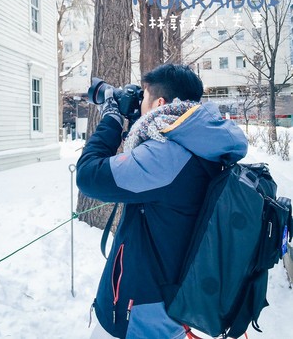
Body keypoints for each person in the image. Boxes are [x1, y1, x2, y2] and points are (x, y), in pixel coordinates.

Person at [76, 63, 248, 339]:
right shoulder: (203, 143)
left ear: (159, 103)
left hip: (141, 313)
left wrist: (111, 117)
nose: (138, 103)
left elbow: (88, 175)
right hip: (173, 300)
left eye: (143, 98)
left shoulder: (165, 158)